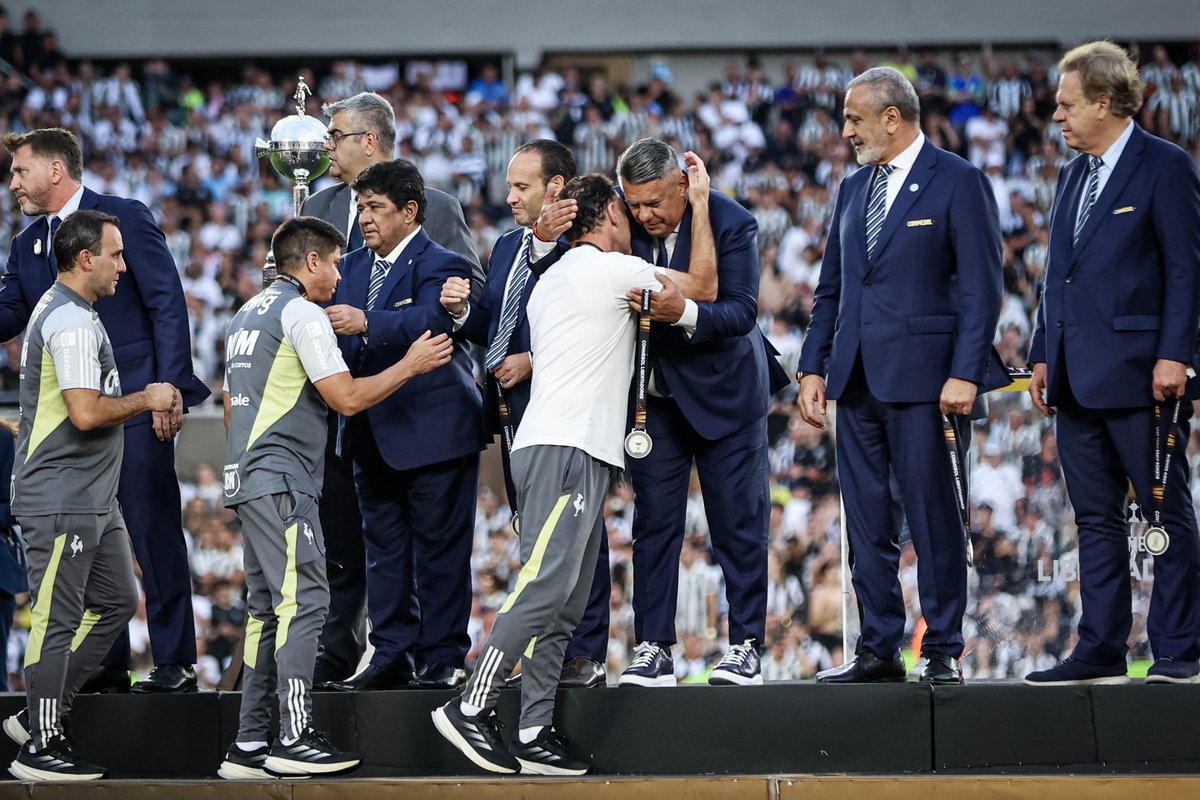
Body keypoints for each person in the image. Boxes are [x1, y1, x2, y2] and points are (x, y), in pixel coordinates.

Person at [434, 156, 717, 776]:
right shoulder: (610, 269)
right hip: (569, 449)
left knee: (561, 597)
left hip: (554, 445)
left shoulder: (553, 277)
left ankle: (534, 728)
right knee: (545, 588)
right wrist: (697, 204)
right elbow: (703, 288)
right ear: (612, 214)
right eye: (628, 214)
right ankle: (470, 706)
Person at [218, 216, 453, 779]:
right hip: (283, 481)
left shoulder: (246, 314)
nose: (342, 273)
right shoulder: (301, 313)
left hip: (247, 477)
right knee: (305, 604)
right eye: (337, 262)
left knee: (264, 612)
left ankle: (249, 743)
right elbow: (346, 398)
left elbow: (231, 406)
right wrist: (410, 364)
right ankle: (293, 736)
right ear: (314, 261)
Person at [795, 67, 1008, 686]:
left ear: (893, 117)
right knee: (865, 523)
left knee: (936, 520)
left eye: (854, 119)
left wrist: (966, 372)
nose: (845, 131)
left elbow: (981, 290)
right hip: (855, 382)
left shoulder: (960, 181)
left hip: (929, 384)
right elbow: (830, 289)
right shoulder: (852, 189)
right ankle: (878, 648)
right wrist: (813, 365)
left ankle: (941, 650)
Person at [0, 128, 209, 694]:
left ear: (55, 171)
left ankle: (174, 661)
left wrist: (171, 387)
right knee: (95, 542)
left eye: (21, 171)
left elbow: (167, 300)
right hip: (74, 419)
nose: (13, 181)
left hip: (138, 401)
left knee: (152, 528)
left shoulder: (121, 218)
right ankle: (106, 667)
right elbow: (10, 312)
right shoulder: (27, 245)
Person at [1024, 41, 1200, 686]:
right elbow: (1057, 277)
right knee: (1094, 517)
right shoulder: (1073, 174)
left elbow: (1186, 270)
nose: (1058, 117)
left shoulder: (1166, 167)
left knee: (1164, 512)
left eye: (1068, 105)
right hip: (1074, 376)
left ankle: (1180, 646)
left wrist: (1176, 354)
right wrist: (1043, 351)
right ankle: (1100, 646)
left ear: (1105, 102)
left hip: (1142, 376)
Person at [301, 91, 481, 689]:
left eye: (376, 207)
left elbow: (438, 318)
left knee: (440, 552)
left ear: (410, 211)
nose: (366, 218)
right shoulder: (349, 268)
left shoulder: (440, 260)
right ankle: (390, 653)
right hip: (370, 430)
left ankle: (444, 655)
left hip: (434, 428)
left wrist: (370, 322)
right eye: (362, 207)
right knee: (383, 552)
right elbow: (333, 336)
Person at [5, 210, 177, 780]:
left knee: (117, 603)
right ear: (86, 258)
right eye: (116, 254)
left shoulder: (72, 311)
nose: (124, 266)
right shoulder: (73, 322)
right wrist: (145, 398)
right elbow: (85, 412)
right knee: (57, 617)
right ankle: (43, 742)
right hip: (62, 494)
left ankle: (39, 712)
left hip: (90, 497)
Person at [613, 137, 787, 688]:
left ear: (683, 185)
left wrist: (684, 311)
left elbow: (740, 311)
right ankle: (652, 647)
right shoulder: (623, 222)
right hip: (654, 399)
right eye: (634, 204)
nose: (644, 215)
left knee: (739, 524)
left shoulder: (733, 221)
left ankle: (745, 646)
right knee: (654, 523)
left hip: (726, 395)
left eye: (655, 203)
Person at [440, 139, 609, 689]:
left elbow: (594, 320)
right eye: (510, 185)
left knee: (579, 538)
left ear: (555, 188)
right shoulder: (512, 245)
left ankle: (582, 654)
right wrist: (462, 308)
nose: (509, 196)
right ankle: (540, 662)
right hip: (516, 416)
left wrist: (533, 360)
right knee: (535, 542)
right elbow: (495, 320)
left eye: (521, 186)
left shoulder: (585, 245)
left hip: (566, 413)